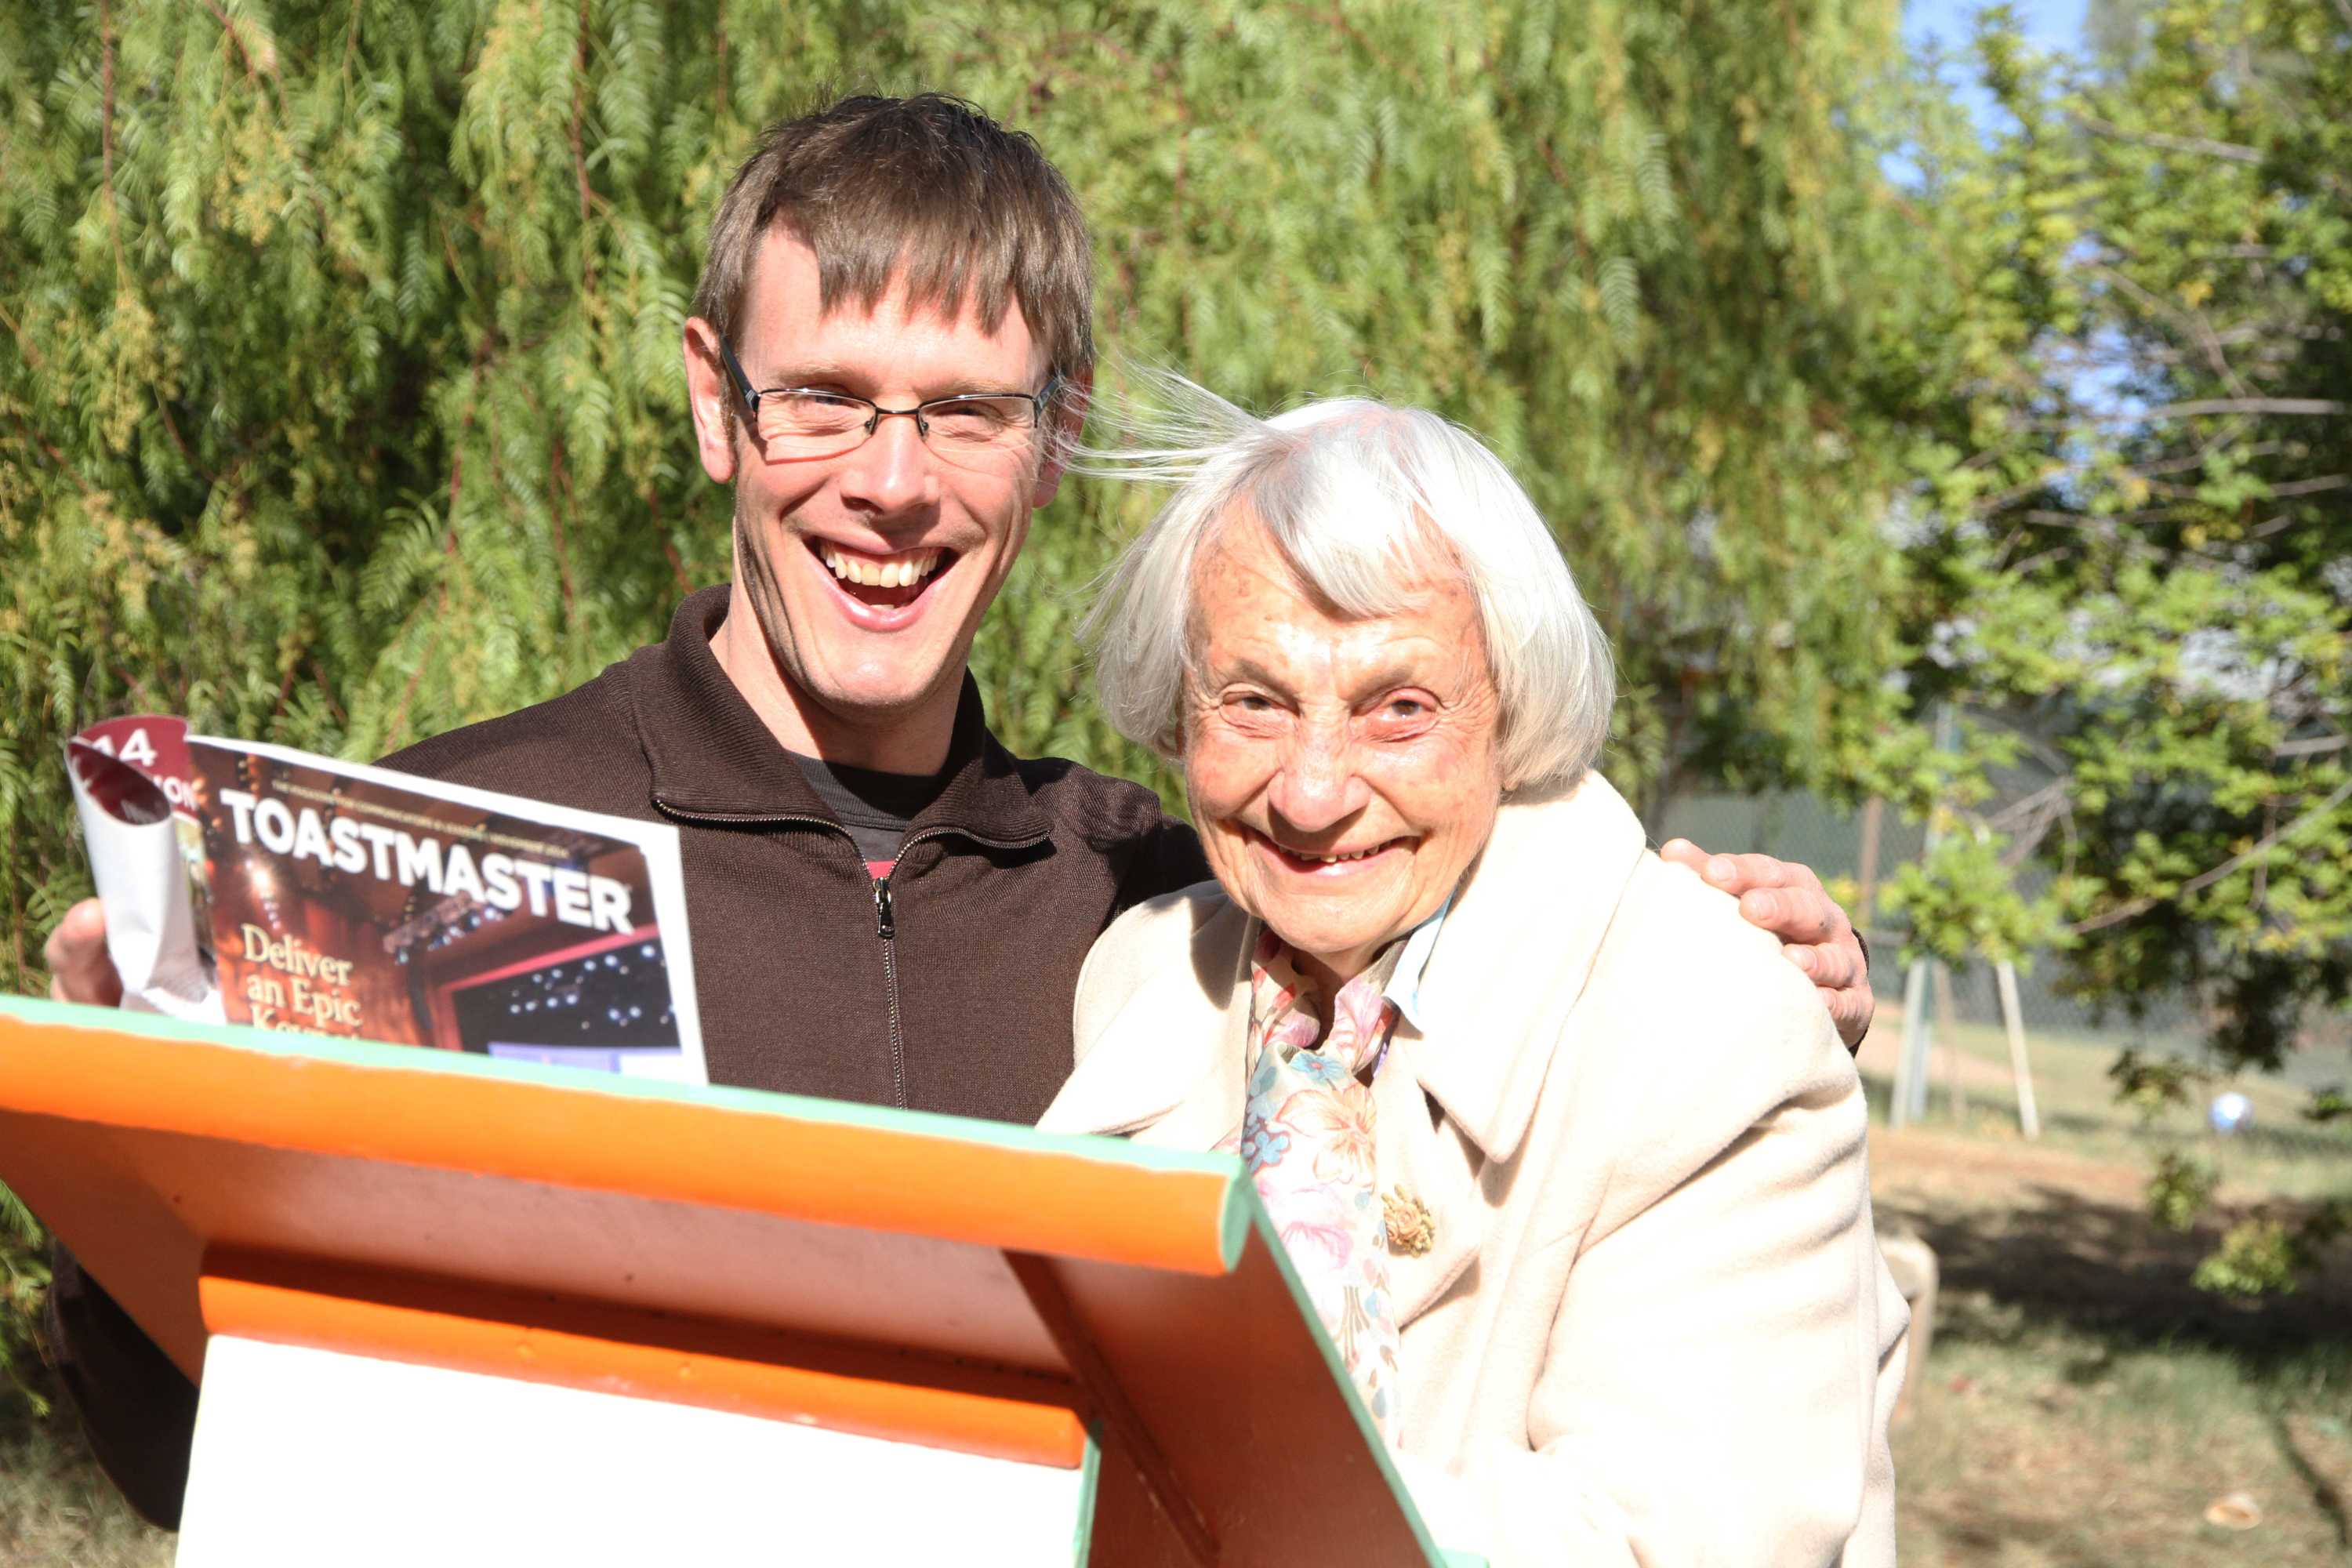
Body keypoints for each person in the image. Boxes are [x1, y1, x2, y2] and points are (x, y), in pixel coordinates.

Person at [38, 93, 1877, 1528]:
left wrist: (1724, 933)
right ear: (713, 403)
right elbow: (197, 1448)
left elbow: (1478, 886)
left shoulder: (1163, 908)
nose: (892, 486)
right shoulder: (442, 840)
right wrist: (135, 1137)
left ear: (1054, 433)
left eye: (965, 412)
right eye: (823, 401)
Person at [1036, 384, 1904, 1564]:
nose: (1310, 791)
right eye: (1252, 700)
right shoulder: (1143, 974)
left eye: (1399, 709)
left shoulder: (1710, 1023)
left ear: (1511, 710)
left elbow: (1668, 1544)